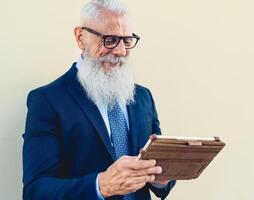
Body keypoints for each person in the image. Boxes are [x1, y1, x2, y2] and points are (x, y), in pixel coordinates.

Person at [22, 0, 176, 199]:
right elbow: (36, 192)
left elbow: (161, 178)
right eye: (110, 40)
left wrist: (162, 178)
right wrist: (100, 186)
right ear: (81, 38)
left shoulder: (143, 97)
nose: (120, 51)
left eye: (127, 40)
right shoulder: (47, 100)